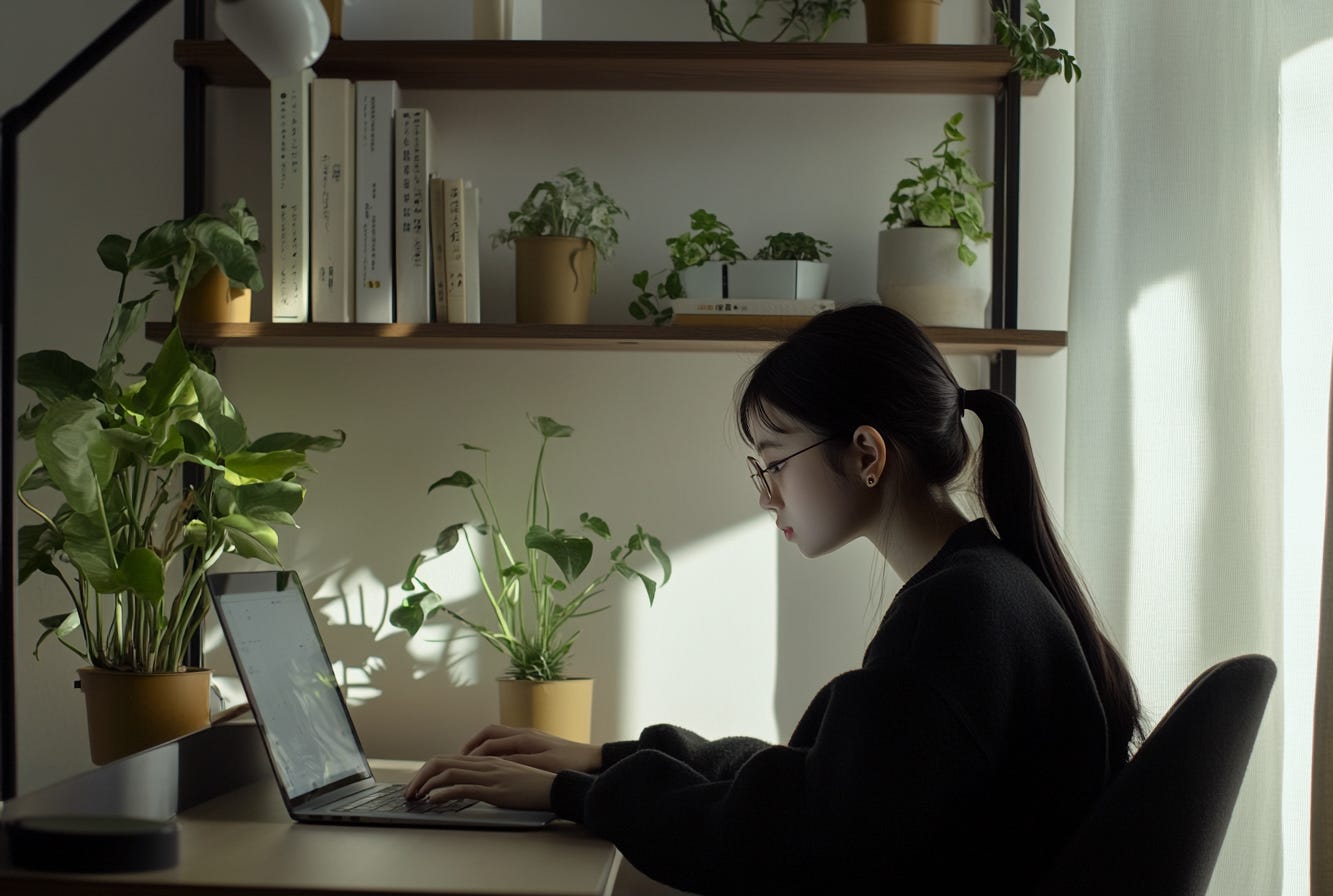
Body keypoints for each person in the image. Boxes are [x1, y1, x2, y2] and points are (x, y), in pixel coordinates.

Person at [405, 304, 1142, 895]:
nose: (765, 493)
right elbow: (823, 784)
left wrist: (574, 794)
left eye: (775, 461)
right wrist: (607, 758)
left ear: (866, 453)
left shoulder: (952, 618)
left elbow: (792, 842)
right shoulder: (989, 584)